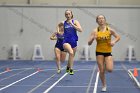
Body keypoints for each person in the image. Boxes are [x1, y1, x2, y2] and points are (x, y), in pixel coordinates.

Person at [88, 15, 120, 92]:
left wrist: (114, 42)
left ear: (105, 20)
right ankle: (104, 85)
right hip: (99, 52)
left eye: (102, 18)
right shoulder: (95, 31)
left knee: (109, 69)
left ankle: (106, 64)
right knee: (101, 71)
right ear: (97, 21)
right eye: (99, 19)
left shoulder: (110, 30)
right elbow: (89, 43)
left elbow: (118, 37)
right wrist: (93, 38)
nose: (101, 20)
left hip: (108, 52)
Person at [57, 9, 83, 75]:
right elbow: (58, 25)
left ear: (71, 14)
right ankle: (71, 69)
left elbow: (80, 30)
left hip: (74, 41)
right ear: (65, 15)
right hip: (66, 41)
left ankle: (68, 67)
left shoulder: (75, 21)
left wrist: (72, 24)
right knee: (71, 53)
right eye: (66, 14)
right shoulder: (63, 22)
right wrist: (58, 31)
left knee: (71, 56)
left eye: (69, 14)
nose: (68, 15)